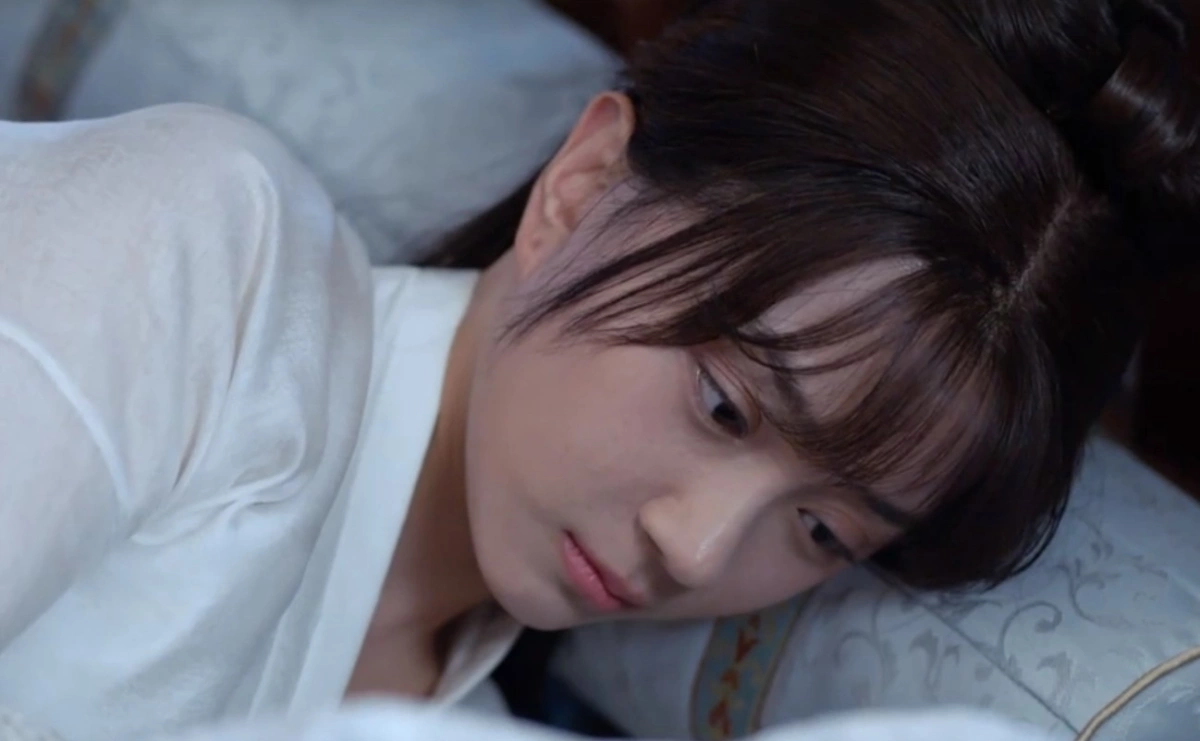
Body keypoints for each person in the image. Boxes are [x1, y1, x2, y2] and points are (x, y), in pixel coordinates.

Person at [0, 0, 1195, 739]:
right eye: (724, 406)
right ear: (580, 192)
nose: (700, 549)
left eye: (824, 531)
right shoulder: (203, 249)